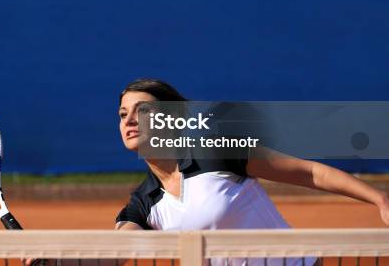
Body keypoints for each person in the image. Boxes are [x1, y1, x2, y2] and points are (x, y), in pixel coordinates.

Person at [115, 78, 389, 265]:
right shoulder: (143, 202)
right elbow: (114, 250)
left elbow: (309, 172)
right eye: (122, 113)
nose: (129, 120)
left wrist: (381, 199)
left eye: (143, 110)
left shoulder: (216, 151)